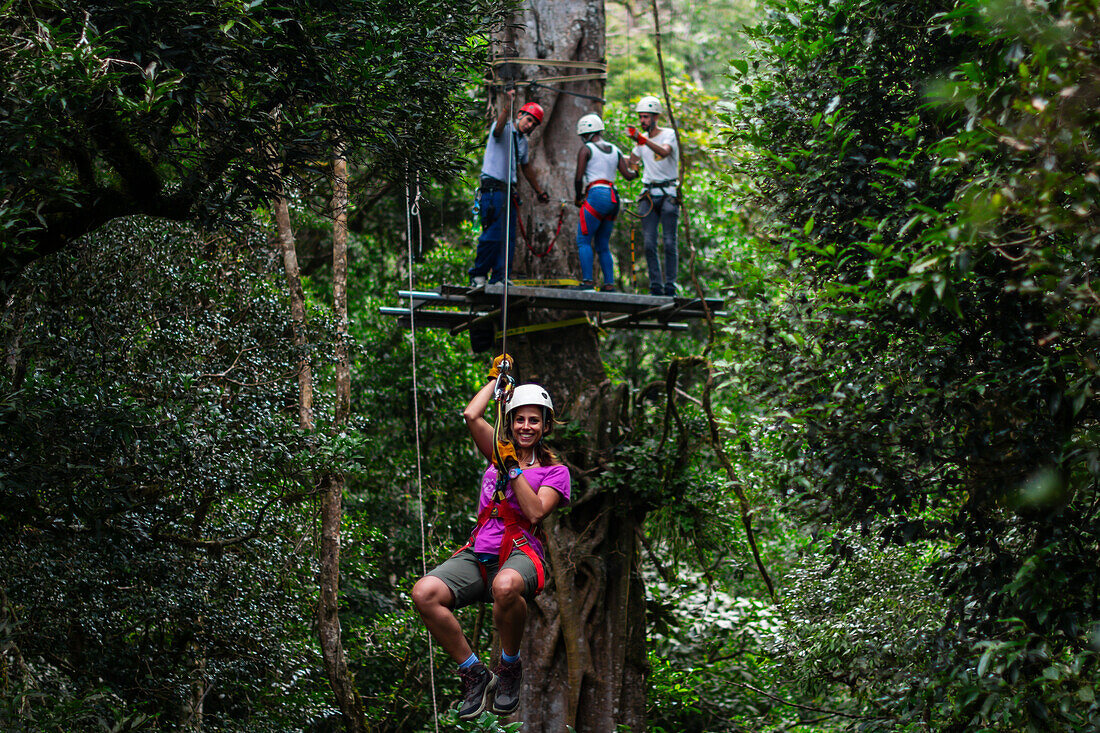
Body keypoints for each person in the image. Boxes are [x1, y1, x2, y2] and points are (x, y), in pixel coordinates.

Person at [411, 355, 571, 720]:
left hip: (519, 553)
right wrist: (497, 381)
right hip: (480, 552)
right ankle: (474, 672)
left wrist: (513, 467)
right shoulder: (498, 454)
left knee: (506, 586)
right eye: (519, 419)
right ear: (511, 423)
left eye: (534, 420)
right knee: (424, 594)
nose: (526, 426)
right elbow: (472, 415)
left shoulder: (555, 472)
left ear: (545, 425)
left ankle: (509, 668)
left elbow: (534, 512)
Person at [469, 90, 551, 287]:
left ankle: (500, 276)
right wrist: (508, 104)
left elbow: (526, 168)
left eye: (533, 123)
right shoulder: (503, 129)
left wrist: (539, 191)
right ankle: (478, 274)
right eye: (528, 119)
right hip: (492, 191)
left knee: (508, 237)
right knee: (493, 234)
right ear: (520, 115)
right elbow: (497, 128)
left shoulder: (522, 143)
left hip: (509, 192)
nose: (529, 125)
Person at [572, 113, 637, 291]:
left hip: (596, 196)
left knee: (583, 240)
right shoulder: (615, 150)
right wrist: (637, 171)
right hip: (613, 199)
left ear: (586, 134)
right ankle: (609, 284)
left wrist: (578, 197)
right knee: (602, 243)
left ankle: (587, 283)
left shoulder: (587, 150)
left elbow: (578, 178)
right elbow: (628, 176)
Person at [627, 95, 680, 296]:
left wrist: (642, 139)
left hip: (668, 194)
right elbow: (632, 162)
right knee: (649, 243)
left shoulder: (668, 135)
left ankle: (670, 286)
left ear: (656, 117)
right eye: (641, 117)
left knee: (668, 242)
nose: (642, 121)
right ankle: (656, 286)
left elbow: (664, 152)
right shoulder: (641, 143)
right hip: (648, 195)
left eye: (646, 117)